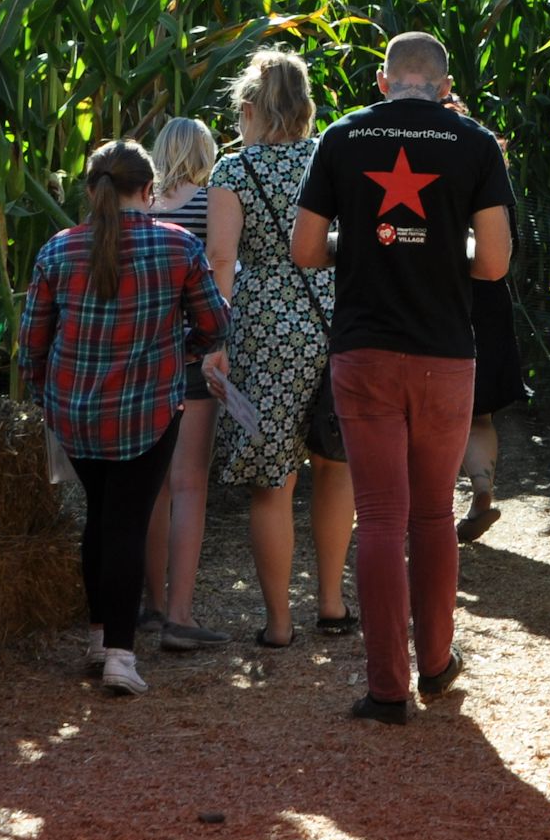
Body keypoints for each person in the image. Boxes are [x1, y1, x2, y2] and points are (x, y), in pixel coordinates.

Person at [293, 32, 513, 724]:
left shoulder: (343, 135)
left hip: (364, 351)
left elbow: (304, 249)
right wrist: (445, 244)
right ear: (443, 86)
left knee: (380, 517)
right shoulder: (473, 142)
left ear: (384, 81)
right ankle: (438, 663)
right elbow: (495, 264)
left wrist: (356, 241)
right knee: (432, 514)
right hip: (445, 351)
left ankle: (388, 689)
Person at [20, 139, 227, 698]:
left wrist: (49, 397)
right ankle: (119, 654)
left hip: (75, 413)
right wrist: (185, 347)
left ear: (91, 191)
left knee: (102, 517)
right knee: (127, 523)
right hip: (147, 409)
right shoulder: (178, 246)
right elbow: (214, 322)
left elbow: (31, 342)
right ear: (148, 189)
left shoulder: (58, 250)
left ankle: (96, 638)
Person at [209, 49, 357, 648]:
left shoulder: (233, 172)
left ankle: (277, 623)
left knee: (272, 482)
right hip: (334, 316)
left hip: (264, 327)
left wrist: (214, 337)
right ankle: (331, 603)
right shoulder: (333, 155)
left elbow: (221, 260)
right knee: (335, 465)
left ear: (249, 108)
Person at [141, 116, 230, 650]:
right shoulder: (215, 200)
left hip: (145, 359)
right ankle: (181, 613)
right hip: (196, 353)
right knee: (189, 484)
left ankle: (151, 605)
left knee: (152, 485)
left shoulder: (142, 207)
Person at [441, 91, 525, 545]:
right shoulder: (490, 162)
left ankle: (430, 513)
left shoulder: (427, 160)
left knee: (432, 415)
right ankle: (482, 490)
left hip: (444, 299)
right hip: (489, 299)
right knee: (480, 414)